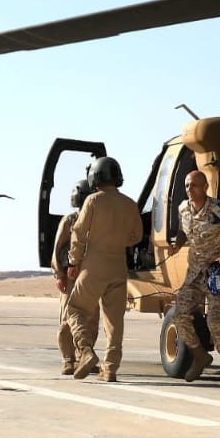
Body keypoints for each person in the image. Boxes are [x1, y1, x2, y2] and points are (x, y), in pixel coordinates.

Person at [66, 157, 143, 382]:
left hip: (94, 266)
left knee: (75, 308)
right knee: (114, 321)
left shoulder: (92, 201)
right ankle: (109, 369)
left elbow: (78, 233)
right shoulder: (130, 204)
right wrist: (118, 242)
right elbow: (136, 236)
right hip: (118, 267)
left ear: (95, 177)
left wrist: (73, 262)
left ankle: (86, 350)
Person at [171, 170, 220, 387]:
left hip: (218, 275)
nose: (189, 189)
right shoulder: (183, 209)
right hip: (195, 274)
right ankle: (199, 356)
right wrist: (177, 244)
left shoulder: (219, 211)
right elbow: (183, 231)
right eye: (187, 186)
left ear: (205, 187)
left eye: (194, 185)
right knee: (179, 314)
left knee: (214, 322)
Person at [53, 180, 96, 375]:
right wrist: (59, 275)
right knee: (67, 319)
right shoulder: (70, 220)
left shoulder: (96, 220)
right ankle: (68, 359)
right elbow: (57, 248)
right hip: (71, 276)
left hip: (90, 276)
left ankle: (83, 356)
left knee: (91, 319)